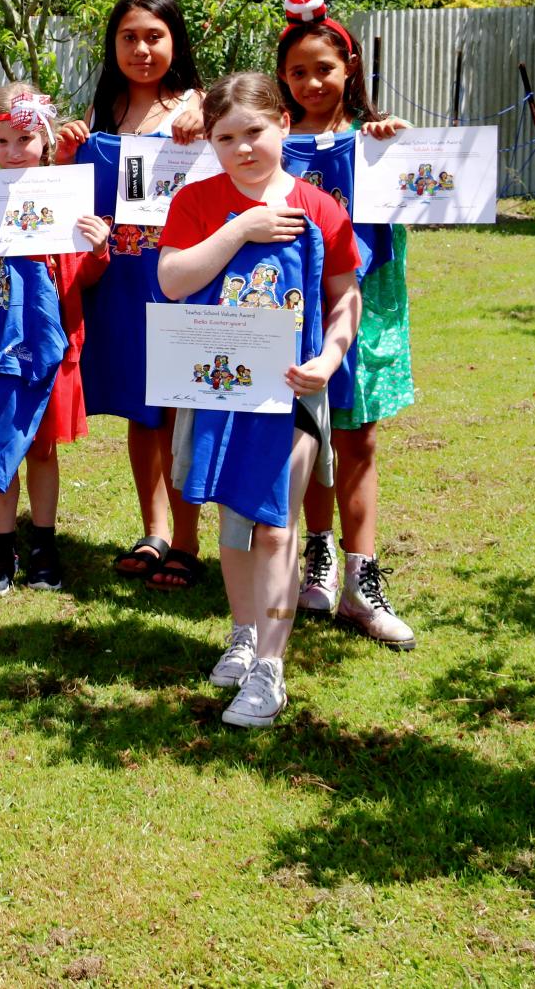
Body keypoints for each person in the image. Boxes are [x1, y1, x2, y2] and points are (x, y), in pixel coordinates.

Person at [157, 72, 362, 728]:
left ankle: (270, 670)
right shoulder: (198, 202)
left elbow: (344, 293)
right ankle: (244, 633)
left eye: (255, 132)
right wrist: (242, 228)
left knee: (276, 524)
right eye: (226, 137)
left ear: (283, 123)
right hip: (219, 389)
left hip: (293, 394)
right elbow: (172, 278)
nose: (243, 148)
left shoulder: (318, 206)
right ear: (210, 140)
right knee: (235, 516)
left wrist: (329, 358)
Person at [274, 0, 418, 649]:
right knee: (307, 432)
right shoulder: (270, 144)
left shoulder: (372, 140)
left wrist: (394, 144)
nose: (310, 81)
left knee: (356, 439)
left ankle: (363, 580)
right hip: (294, 306)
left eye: (323, 68)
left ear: (349, 68)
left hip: (366, 302)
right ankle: (320, 558)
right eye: (297, 70)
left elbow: (421, 189)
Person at [54, 0, 208, 591]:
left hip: (181, 278)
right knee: (144, 413)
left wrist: (210, 120)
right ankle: (155, 529)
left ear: (176, 41)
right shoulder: (101, 114)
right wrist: (67, 156)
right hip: (118, 279)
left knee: (183, 405)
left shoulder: (201, 108)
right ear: (112, 45)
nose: (141, 49)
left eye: (154, 36)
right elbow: (68, 204)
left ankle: (189, 539)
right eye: (128, 37)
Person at [0, 86, 110, 594]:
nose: (14, 152)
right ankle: (2, 545)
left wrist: (99, 247)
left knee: (41, 447)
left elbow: (82, 274)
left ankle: (43, 543)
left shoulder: (67, 194)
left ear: (46, 137)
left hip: (48, 339)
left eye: (25, 139)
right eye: (1, 141)